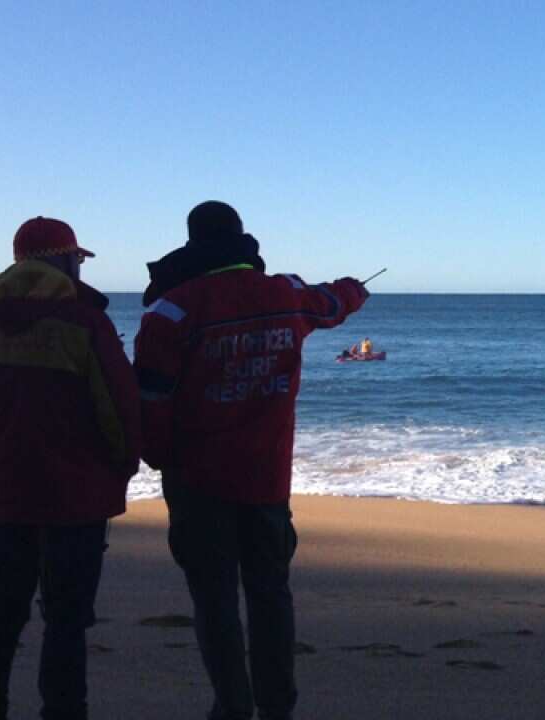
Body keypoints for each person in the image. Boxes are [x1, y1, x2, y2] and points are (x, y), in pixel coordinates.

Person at [134, 201, 368, 720]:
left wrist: (158, 458)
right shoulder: (284, 296)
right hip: (265, 482)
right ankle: (278, 705)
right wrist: (355, 289)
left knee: (214, 601)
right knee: (270, 595)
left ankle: (233, 707)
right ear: (242, 238)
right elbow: (331, 303)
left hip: (197, 485)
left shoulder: (170, 310)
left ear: (192, 243)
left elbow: (150, 402)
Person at [0, 217, 141, 720]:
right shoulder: (84, 324)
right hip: (75, 496)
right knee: (66, 620)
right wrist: (121, 466)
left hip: (5, 490)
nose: (80, 266)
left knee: (3, 610)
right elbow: (118, 410)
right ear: (65, 260)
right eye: (77, 258)